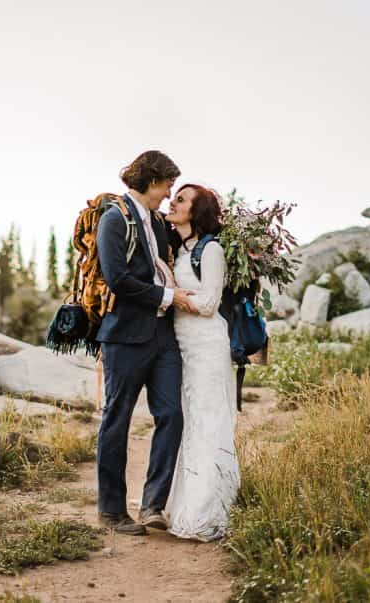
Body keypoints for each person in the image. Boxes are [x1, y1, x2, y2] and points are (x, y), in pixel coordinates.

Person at [95, 150, 197, 536]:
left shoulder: (156, 222)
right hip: (125, 336)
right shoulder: (113, 219)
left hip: (162, 337)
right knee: (116, 420)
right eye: (169, 184)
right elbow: (117, 279)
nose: (170, 192)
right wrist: (170, 298)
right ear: (153, 180)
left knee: (171, 415)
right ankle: (111, 510)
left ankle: (153, 505)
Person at [163, 183, 240, 541]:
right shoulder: (178, 251)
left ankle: (207, 513)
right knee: (190, 424)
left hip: (208, 348)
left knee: (209, 423)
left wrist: (172, 297)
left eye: (181, 199)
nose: (172, 202)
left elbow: (209, 304)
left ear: (197, 212)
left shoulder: (211, 250)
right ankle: (185, 506)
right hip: (184, 348)